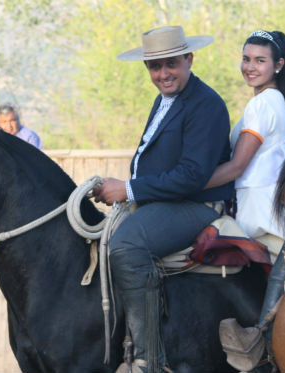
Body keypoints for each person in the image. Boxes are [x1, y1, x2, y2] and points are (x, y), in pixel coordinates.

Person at [92, 25, 234, 373]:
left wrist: (128, 189)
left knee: (126, 245)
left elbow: (191, 176)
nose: (163, 74)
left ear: (189, 58)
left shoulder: (207, 105)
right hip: (165, 202)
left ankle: (149, 360)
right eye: (155, 67)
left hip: (196, 206)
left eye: (171, 63)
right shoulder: (165, 99)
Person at [207, 30, 285, 372]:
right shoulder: (275, 101)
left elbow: (237, 166)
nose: (250, 66)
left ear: (278, 65)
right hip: (259, 208)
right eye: (246, 58)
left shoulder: (263, 103)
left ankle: (260, 346)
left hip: (262, 217)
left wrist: (186, 186)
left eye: (260, 60)